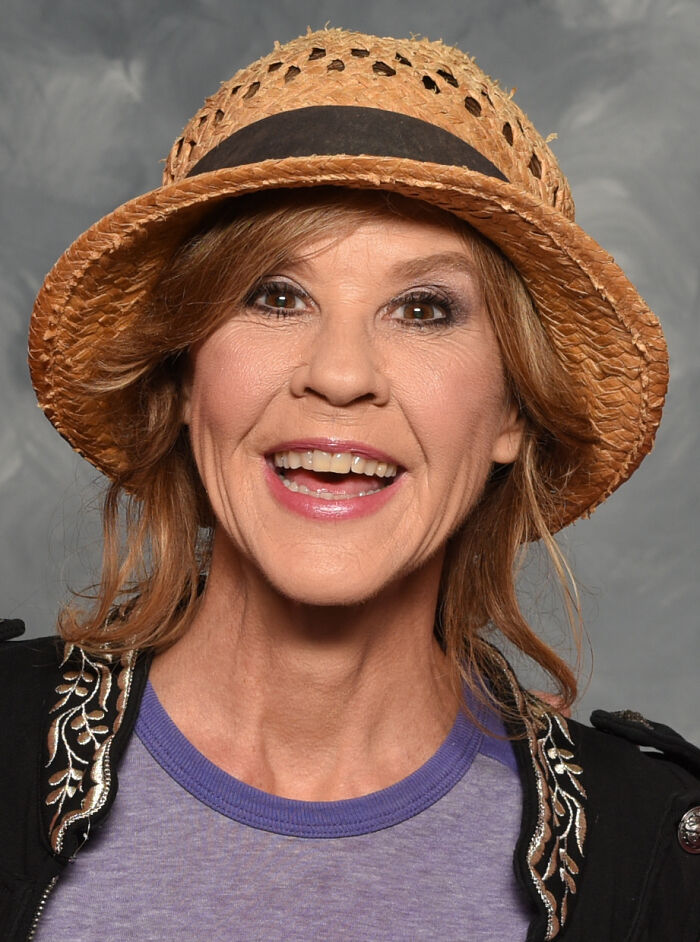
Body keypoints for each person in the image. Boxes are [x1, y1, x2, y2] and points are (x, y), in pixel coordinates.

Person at [1, 26, 698, 942]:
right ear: (179, 379)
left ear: (512, 412)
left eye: (423, 308)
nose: (338, 374)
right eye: (275, 295)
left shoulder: (654, 855)